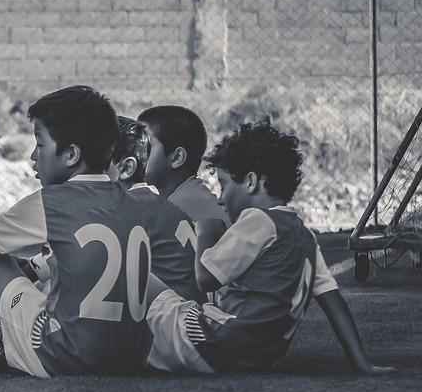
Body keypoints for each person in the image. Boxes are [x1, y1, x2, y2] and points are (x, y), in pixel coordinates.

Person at [0, 86, 154, 377]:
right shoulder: (135, 205)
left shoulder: (51, 202)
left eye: (40, 145)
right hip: (133, 359)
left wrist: (10, 259)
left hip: (66, 357)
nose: (32, 156)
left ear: (72, 155)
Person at [145, 119, 389, 374]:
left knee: (140, 276)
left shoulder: (259, 220)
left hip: (211, 344)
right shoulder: (304, 237)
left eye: (224, 184)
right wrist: (362, 364)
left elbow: (205, 279)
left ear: (250, 181)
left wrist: (205, 231)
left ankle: (113, 346)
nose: (219, 198)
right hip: (254, 357)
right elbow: (333, 302)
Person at [112, 117, 205, 303]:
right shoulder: (159, 205)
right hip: (192, 316)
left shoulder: (126, 208)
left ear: (127, 168)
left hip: (171, 323)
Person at [137, 105, 230, 225]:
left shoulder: (175, 211)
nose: (135, 153)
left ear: (177, 158)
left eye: (144, 146)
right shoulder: (192, 197)